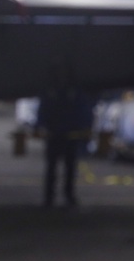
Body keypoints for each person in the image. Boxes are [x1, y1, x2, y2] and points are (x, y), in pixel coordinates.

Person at [35, 64, 96, 208]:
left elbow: (83, 108)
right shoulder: (51, 90)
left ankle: (69, 195)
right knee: (51, 168)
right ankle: (49, 197)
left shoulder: (74, 90)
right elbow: (43, 108)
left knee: (70, 167)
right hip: (54, 132)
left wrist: (85, 126)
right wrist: (40, 125)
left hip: (71, 133)